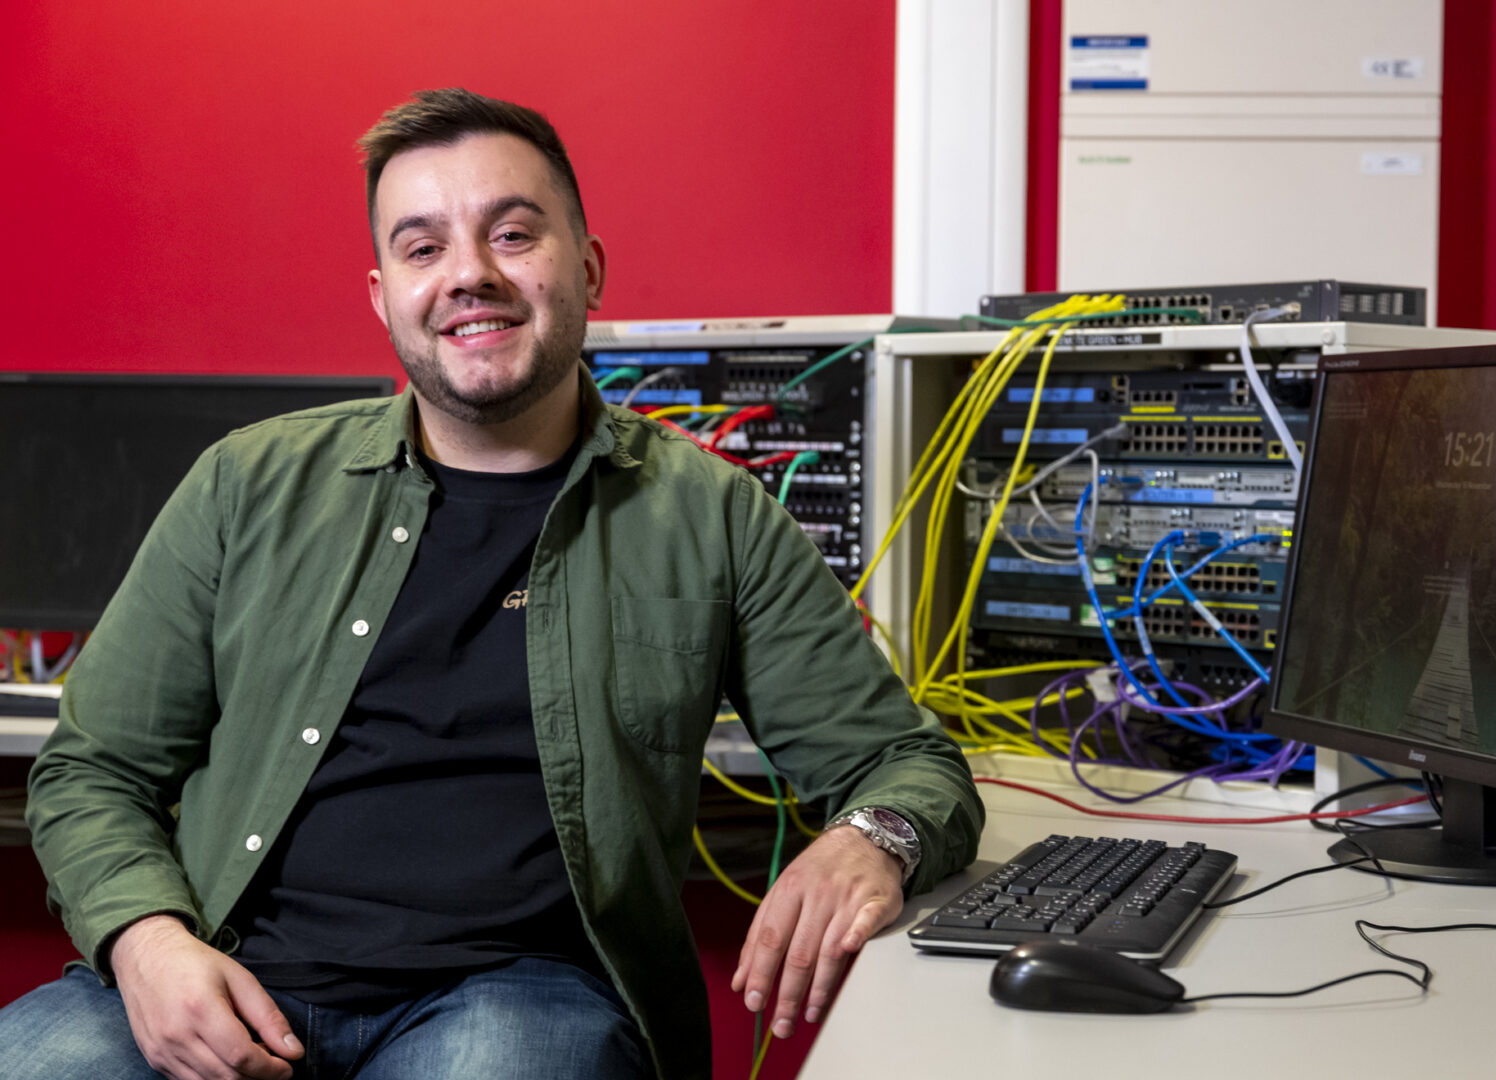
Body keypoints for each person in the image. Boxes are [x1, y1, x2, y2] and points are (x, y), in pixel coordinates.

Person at [0, 88, 983, 1080]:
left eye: (512, 233)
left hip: (516, 997)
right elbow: (92, 769)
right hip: (222, 963)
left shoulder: (714, 519)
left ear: (589, 268)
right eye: (423, 249)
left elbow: (908, 766)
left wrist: (872, 841)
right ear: (384, 296)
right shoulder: (245, 485)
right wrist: (146, 944)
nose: (470, 274)